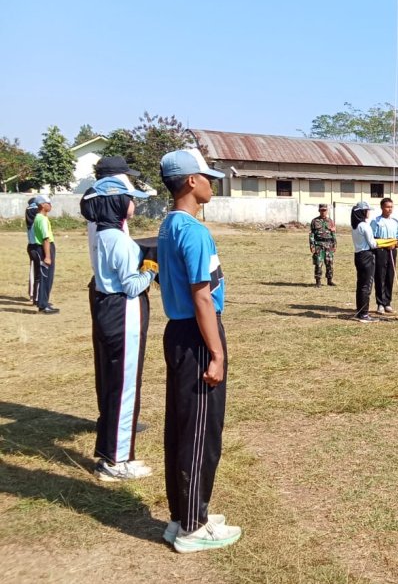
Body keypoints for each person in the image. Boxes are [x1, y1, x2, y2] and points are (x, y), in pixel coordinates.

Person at [157, 149, 242, 553]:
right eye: (207, 176)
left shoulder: (169, 224)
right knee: (199, 433)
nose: (212, 182)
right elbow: (202, 297)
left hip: (180, 332)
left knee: (181, 427)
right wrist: (217, 353)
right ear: (191, 181)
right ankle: (193, 526)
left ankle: (184, 514)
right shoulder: (192, 230)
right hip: (196, 335)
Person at [84, 176, 156, 482]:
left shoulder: (101, 234)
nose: (134, 203)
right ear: (116, 202)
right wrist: (151, 268)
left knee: (113, 384)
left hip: (105, 308)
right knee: (126, 388)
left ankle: (108, 453)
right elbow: (131, 286)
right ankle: (118, 460)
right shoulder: (121, 241)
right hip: (123, 312)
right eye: (130, 198)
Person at [372, 197, 398, 313]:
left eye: (391, 207)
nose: (389, 209)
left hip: (392, 251)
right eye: (387, 207)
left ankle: (387, 302)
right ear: (382, 207)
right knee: (380, 276)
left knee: (389, 276)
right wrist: (385, 244)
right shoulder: (376, 221)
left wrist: (395, 243)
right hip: (380, 251)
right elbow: (373, 237)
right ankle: (380, 303)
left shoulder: (395, 222)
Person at [350, 201, 378, 322]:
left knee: (361, 284)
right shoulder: (364, 226)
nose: (369, 212)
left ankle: (360, 311)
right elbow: (372, 243)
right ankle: (364, 314)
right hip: (366, 255)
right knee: (367, 285)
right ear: (362, 212)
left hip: (358, 255)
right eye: (367, 210)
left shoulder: (355, 226)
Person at [31, 195, 59, 313]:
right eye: (48, 203)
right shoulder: (41, 219)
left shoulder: (41, 218)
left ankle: (44, 302)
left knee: (48, 276)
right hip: (43, 249)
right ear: (42, 205)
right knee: (46, 277)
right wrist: (47, 256)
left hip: (45, 248)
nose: (50, 205)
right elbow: (45, 239)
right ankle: (43, 305)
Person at [309, 203, 336, 287]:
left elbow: (333, 233)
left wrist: (334, 244)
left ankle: (329, 280)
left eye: (325, 210)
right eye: (322, 210)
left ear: (327, 211)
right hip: (319, 245)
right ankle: (318, 281)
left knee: (329, 263)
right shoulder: (314, 221)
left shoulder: (330, 221)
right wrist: (312, 245)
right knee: (318, 263)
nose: (323, 212)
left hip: (329, 245)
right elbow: (311, 234)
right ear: (319, 211)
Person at [25, 197, 40, 305]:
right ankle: (35, 296)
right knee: (37, 272)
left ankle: (32, 294)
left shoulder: (29, 212)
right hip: (36, 245)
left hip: (32, 245)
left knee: (33, 270)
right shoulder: (35, 213)